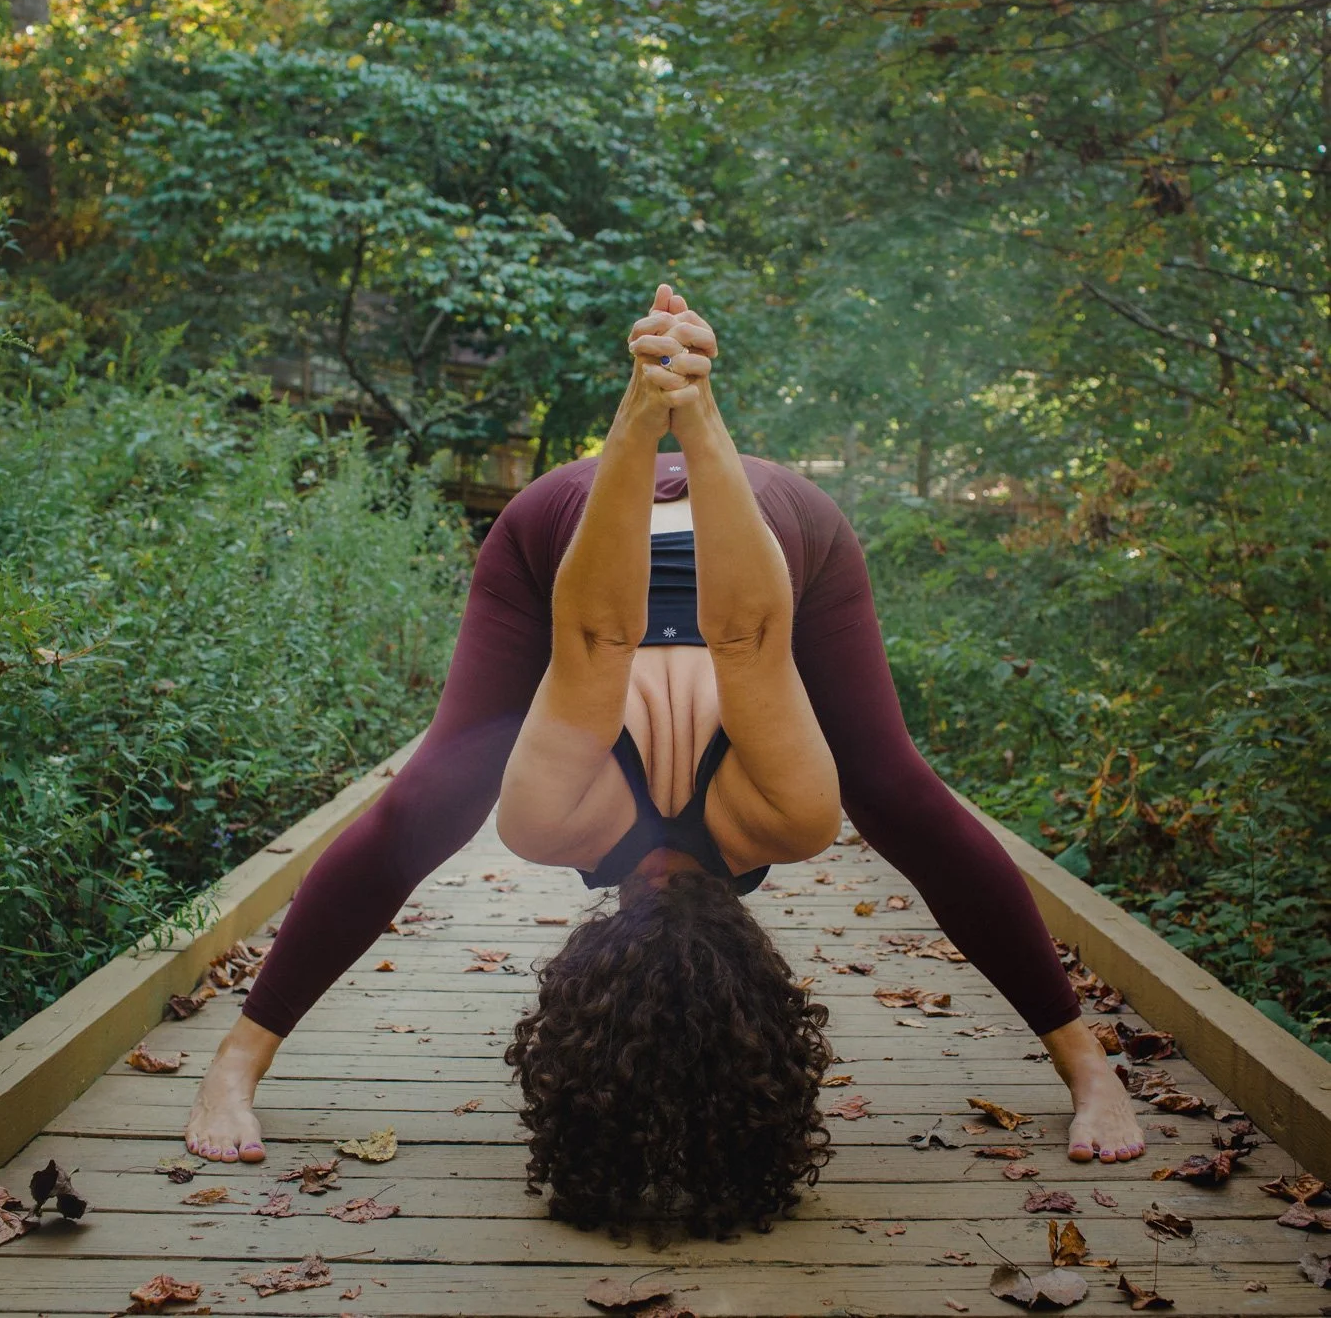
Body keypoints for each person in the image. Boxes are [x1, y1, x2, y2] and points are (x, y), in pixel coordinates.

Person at [185, 285, 1146, 1213]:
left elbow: (602, 635)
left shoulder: (631, 821)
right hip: (774, 536)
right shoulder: (763, 816)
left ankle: (238, 1060)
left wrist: (648, 416)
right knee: (891, 789)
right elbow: (742, 635)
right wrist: (688, 410)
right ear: (591, 960)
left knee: (431, 795)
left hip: (569, 531)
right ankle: (1085, 1063)